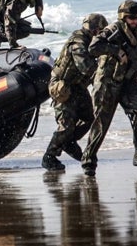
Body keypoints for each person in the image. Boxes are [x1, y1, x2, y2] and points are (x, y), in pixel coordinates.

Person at [81, 0, 137, 177]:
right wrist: (116, 51)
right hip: (108, 82)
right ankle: (89, 159)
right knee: (102, 123)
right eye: (132, 17)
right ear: (123, 17)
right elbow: (93, 47)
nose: (135, 21)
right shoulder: (111, 30)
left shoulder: (136, 33)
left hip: (128, 81)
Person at [42, 13, 108, 171]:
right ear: (94, 30)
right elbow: (86, 66)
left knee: (89, 119)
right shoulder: (78, 42)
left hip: (77, 86)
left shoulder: (90, 41)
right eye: (100, 31)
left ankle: (68, 142)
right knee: (66, 124)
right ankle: (49, 156)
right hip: (63, 86)